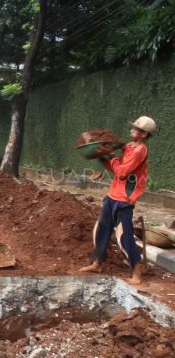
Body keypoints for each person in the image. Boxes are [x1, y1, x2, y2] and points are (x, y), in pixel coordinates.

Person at [78, 116, 157, 285]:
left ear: (144, 134)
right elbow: (115, 169)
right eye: (134, 127)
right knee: (102, 230)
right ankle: (97, 263)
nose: (132, 130)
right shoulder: (129, 147)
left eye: (136, 129)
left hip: (125, 200)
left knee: (126, 236)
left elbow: (122, 172)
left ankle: (137, 273)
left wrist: (111, 155)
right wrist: (102, 157)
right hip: (113, 195)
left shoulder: (140, 150)